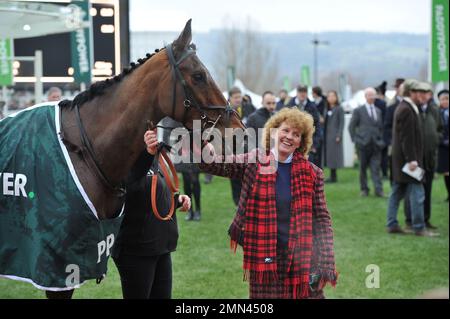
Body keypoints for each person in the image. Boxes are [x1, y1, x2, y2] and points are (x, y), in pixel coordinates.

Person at [198, 108, 338, 299]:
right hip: (265, 256)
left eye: (296, 134)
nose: (289, 137)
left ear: (301, 142)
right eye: (286, 130)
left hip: (302, 257)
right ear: (274, 132)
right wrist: (202, 143)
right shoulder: (254, 161)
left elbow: (322, 219)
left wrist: (326, 259)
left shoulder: (313, 173)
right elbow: (214, 164)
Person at [112, 130, 191, 299]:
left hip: (161, 245)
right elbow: (127, 188)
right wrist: (147, 155)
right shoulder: (122, 156)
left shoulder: (154, 156)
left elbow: (154, 193)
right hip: (136, 249)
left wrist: (176, 201)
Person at [386, 79, 438, 237]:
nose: (422, 95)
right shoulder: (407, 109)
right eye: (419, 92)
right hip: (408, 162)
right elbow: (407, 138)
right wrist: (412, 160)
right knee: (417, 193)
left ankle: (392, 224)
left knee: (397, 192)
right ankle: (418, 227)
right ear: (411, 93)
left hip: (402, 161)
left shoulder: (406, 107)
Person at [404, 82, 442, 230]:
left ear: (430, 95)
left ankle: (426, 219)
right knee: (412, 191)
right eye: (421, 92)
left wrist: (436, 139)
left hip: (430, 157)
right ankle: (410, 220)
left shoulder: (434, 109)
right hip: (416, 159)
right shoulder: (413, 109)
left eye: (426, 92)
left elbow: (440, 128)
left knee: (428, 190)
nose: (423, 95)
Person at [348, 87, 385, 197]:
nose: (372, 97)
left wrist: (381, 141)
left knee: (376, 169)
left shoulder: (378, 111)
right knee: (362, 169)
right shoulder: (358, 110)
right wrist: (356, 140)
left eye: (373, 95)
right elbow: (351, 127)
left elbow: (381, 128)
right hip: (363, 145)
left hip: (376, 145)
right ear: (365, 96)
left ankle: (379, 190)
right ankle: (364, 189)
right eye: (369, 95)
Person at [287, 85, 322, 168]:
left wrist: (314, 145)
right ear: (297, 93)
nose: (302, 94)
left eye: (304, 92)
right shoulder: (289, 105)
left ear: (307, 93)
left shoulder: (313, 107)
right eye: (300, 91)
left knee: (308, 170)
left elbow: (317, 126)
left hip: (308, 145)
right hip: (291, 143)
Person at [384, 78, 405, 182]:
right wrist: (391, 142)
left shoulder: (414, 105)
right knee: (394, 170)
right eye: (398, 87)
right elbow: (387, 126)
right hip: (395, 144)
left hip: (408, 144)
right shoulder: (391, 107)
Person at [324, 90, 345, 183]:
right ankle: (331, 176)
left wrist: (339, 135)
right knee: (329, 156)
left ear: (336, 97)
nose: (331, 98)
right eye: (329, 96)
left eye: (333, 96)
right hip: (327, 136)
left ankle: (333, 176)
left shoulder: (339, 108)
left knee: (334, 156)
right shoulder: (327, 109)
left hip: (335, 136)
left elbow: (342, 123)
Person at [436, 89, 449, 201]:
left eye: (447, 99)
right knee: (446, 172)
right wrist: (443, 141)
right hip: (443, 146)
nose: (445, 101)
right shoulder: (437, 113)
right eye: (442, 99)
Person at [375, 81, 388, 179]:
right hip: (383, 132)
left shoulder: (373, 104)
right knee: (383, 155)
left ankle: (378, 173)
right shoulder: (383, 103)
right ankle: (384, 173)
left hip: (376, 133)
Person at [312, 86, 327, 168]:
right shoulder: (313, 103)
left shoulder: (324, 102)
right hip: (316, 128)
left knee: (320, 151)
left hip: (322, 129)